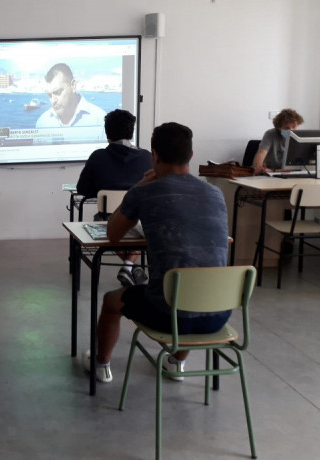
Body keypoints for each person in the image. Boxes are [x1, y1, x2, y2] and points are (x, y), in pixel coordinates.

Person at [83, 122, 229, 383]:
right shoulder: (215, 193)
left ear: (155, 156)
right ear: (191, 156)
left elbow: (113, 234)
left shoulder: (146, 192)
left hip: (168, 313)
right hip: (219, 312)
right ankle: (176, 364)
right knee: (191, 287)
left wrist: (137, 187)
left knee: (110, 301)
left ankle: (101, 364)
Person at [76, 109, 152, 287]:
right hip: (141, 222)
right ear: (131, 132)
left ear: (107, 132)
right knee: (140, 224)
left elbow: (82, 189)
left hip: (108, 220)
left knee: (108, 223)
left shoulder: (98, 156)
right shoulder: (147, 157)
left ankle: (127, 265)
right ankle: (130, 264)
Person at [36, 63, 107, 128]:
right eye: (49, 95)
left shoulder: (100, 120)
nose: (53, 101)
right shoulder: (42, 122)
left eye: (58, 92)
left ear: (73, 85)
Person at [252, 108, 304, 175]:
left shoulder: (299, 138)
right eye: (286, 128)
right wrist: (258, 167)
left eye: (294, 127)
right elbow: (261, 153)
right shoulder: (270, 134)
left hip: (282, 174)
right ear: (279, 127)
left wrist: (274, 171)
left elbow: (298, 168)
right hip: (267, 174)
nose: (291, 130)